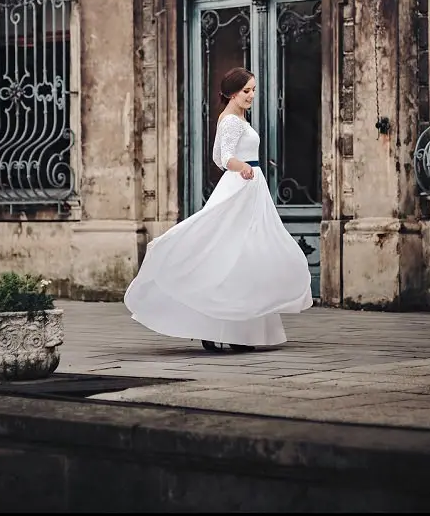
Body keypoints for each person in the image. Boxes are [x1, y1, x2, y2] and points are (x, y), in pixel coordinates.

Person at [124, 67, 313, 352]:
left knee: (241, 253)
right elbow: (224, 158)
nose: (251, 95)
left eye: (253, 90)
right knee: (236, 252)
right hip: (242, 186)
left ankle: (229, 330)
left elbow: (216, 156)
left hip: (247, 185)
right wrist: (243, 167)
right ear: (232, 93)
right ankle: (232, 331)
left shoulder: (234, 118)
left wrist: (245, 167)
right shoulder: (232, 121)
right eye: (246, 90)